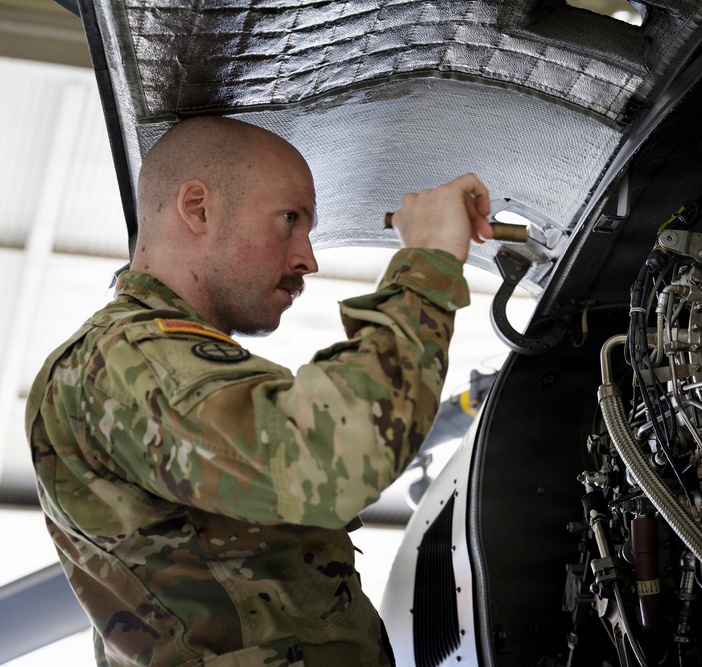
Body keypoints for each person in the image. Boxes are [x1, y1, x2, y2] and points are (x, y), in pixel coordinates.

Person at [25, 116, 493, 667]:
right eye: (289, 220)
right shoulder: (130, 357)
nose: (308, 259)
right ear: (197, 208)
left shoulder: (154, 359)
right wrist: (428, 263)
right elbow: (331, 457)